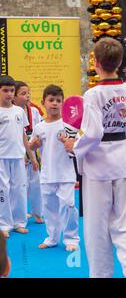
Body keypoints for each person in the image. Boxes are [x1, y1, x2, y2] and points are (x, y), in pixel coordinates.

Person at [63, 38, 126, 278]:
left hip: (98, 168)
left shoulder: (93, 94)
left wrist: (73, 146)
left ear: (95, 62)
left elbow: (94, 133)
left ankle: (101, 275)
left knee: (97, 227)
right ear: (119, 62)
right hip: (121, 160)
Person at [29, 85, 79, 251]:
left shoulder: (69, 126)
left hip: (66, 173)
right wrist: (33, 146)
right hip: (47, 174)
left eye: (58, 100)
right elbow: (32, 146)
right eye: (51, 100)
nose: (54, 104)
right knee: (49, 209)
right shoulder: (39, 127)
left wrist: (71, 144)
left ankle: (71, 239)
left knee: (69, 205)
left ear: (63, 103)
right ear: (43, 102)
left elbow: (78, 146)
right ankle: (52, 237)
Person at [0, 75, 39, 238]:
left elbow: (23, 135)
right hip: (1, 156)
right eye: (5, 91)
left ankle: (19, 222)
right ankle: (4, 224)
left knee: (19, 190)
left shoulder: (19, 111)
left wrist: (32, 156)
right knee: (3, 190)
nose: (9, 94)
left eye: (11, 91)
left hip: (18, 156)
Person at [13, 81, 44, 224]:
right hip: (19, 153)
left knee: (36, 184)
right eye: (23, 93)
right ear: (14, 97)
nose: (27, 96)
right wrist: (24, 153)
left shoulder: (35, 111)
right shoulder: (12, 112)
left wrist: (35, 153)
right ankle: (20, 212)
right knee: (20, 186)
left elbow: (40, 131)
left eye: (28, 93)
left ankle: (38, 213)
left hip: (34, 152)